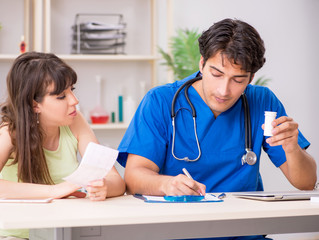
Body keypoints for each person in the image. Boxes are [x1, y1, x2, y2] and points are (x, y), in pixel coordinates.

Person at [117, 19, 317, 240]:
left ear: (251, 78)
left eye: (238, 80)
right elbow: (134, 177)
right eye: (217, 74)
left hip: (244, 233)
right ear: (202, 64)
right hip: (177, 232)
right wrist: (167, 184)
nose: (224, 90)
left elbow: (306, 182)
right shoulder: (161, 101)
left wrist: (292, 149)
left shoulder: (261, 101)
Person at [0, 52, 126, 240]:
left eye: (72, 90)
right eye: (62, 96)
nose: (74, 100)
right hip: (15, 236)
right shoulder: (10, 132)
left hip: (62, 233)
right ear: (34, 105)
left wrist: (104, 187)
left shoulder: (75, 121)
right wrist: (53, 191)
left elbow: (117, 181)